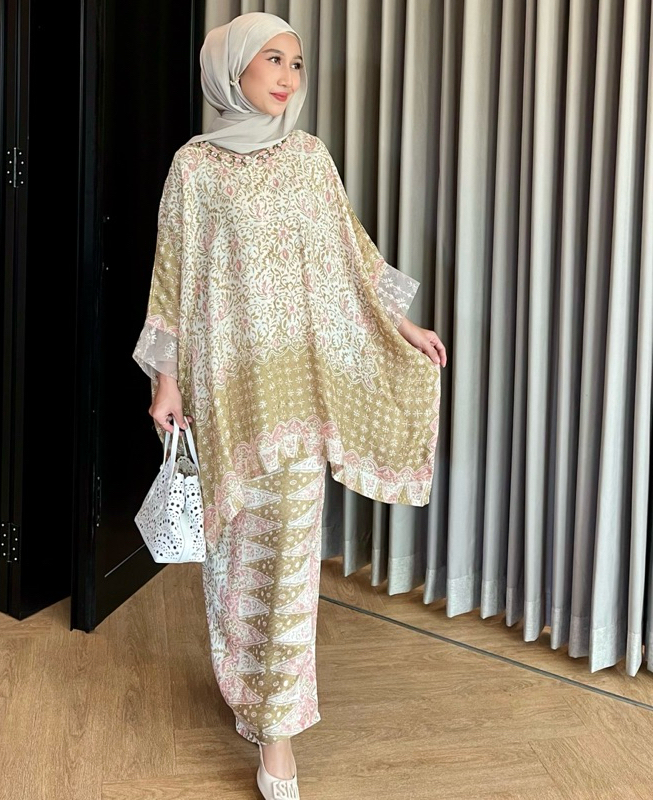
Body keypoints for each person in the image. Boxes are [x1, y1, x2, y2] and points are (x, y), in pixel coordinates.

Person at [133, 11, 446, 799]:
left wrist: (401, 323)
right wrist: (166, 379)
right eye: (272, 59)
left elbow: (352, 253)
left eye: (296, 63)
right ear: (231, 69)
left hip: (300, 398)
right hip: (229, 394)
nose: (287, 76)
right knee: (235, 561)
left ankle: (277, 736)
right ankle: (248, 690)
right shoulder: (194, 168)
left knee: (290, 568)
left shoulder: (310, 158)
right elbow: (173, 276)